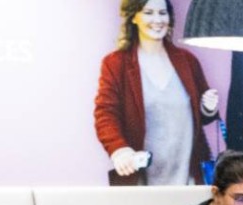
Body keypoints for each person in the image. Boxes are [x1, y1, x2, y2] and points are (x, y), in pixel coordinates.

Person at [93, 0, 218, 186]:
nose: (157, 19)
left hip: (189, 181)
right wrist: (119, 150)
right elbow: (105, 113)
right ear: (134, 16)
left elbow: (202, 117)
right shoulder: (116, 64)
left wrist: (208, 108)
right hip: (141, 183)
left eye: (162, 13)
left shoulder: (187, 61)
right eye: (149, 12)